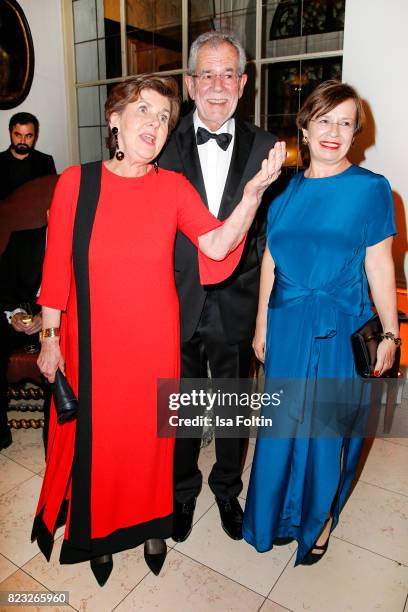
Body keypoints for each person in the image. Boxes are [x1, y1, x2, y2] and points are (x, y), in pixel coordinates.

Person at [31, 74, 285, 586]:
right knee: (102, 444)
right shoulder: (77, 183)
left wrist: (254, 193)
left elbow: (215, 246)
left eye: (164, 117)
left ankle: (152, 528)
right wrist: (49, 338)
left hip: (155, 342)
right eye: (144, 111)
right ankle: (98, 534)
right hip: (94, 345)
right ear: (115, 121)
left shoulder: (172, 187)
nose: (155, 124)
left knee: (152, 443)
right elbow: (56, 267)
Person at [242, 80, 399, 565]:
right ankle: (278, 516)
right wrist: (261, 327)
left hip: (340, 323)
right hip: (287, 325)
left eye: (346, 122)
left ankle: (320, 520)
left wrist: (391, 333)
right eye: (325, 120)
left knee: (326, 431)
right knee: (283, 427)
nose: (334, 131)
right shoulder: (284, 192)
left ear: (356, 133)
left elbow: (380, 266)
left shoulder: (372, 190)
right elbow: (271, 260)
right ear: (305, 127)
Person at [159, 30, 278, 543]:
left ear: (244, 82)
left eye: (228, 73)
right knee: (181, 406)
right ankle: (181, 492)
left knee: (232, 406)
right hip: (173, 300)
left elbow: (274, 236)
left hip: (237, 302)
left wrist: (265, 314)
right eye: (205, 73)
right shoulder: (159, 141)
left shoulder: (270, 148)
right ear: (189, 84)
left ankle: (227, 488)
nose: (216, 84)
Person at [0, 226, 46, 450]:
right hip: (19, 319)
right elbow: (3, 287)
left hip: (62, 324)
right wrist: (15, 314)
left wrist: (48, 317)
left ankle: (56, 445)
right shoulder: (22, 241)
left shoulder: (87, 241)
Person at [0, 112, 56, 201]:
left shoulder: (45, 161)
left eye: (28, 136)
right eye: (18, 135)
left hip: (36, 214)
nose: (23, 141)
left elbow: (51, 197)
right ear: (10, 133)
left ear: (36, 136)